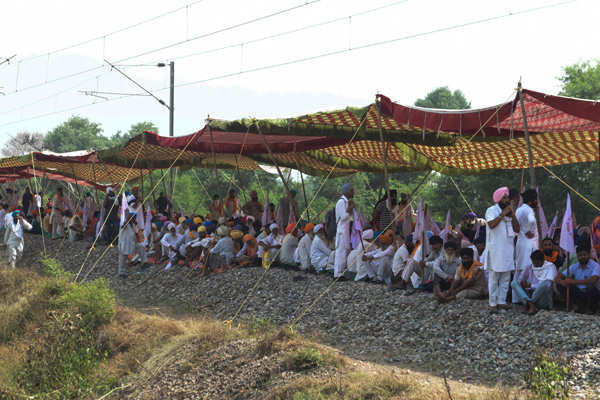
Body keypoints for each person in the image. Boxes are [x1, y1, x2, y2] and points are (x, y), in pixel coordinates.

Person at [485, 186, 520, 313]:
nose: (507, 200)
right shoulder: (491, 210)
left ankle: (502, 301)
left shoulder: (509, 212)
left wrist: (513, 215)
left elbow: (517, 230)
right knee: (494, 277)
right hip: (495, 250)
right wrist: (502, 214)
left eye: (507, 197)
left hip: (508, 250)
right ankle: (492, 303)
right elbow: (491, 225)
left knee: (506, 277)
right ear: (498, 198)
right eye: (504, 197)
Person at [555, 245, 600, 313]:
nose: (582, 257)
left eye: (584, 255)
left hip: (591, 293)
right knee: (560, 285)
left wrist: (572, 281)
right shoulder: (574, 266)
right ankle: (575, 306)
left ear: (589, 255)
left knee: (592, 288)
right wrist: (562, 282)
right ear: (577, 256)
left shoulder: (595, 266)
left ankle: (589, 309)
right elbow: (558, 277)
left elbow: (593, 280)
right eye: (580, 255)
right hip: (579, 293)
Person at [511, 250, 557, 314]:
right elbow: (520, 280)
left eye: (537, 263)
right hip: (529, 294)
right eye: (534, 263)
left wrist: (531, 286)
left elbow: (548, 285)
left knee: (544, 284)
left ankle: (528, 303)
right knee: (514, 283)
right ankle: (530, 304)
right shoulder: (529, 266)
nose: (535, 265)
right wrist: (522, 283)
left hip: (542, 299)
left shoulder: (550, 266)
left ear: (543, 261)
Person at [514, 188, 539, 304]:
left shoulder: (521, 210)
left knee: (522, 270)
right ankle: (524, 299)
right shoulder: (527, 210)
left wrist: (524, 231)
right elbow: (530, 221)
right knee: (525, 271)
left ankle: (519, 298)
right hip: (527, 244)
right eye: (536, 200)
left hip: (525, 243)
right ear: (532, 200)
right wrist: (527, 231)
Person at [334, 183, 354, 279]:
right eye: (352, 190)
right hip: (341, 231)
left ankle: (341, 272)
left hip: (345, 231)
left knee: (344, 251)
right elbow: (344, 217)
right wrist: (350, 209)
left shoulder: (346, 202)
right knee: (340, 252)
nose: (353, 192)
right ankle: (337, 274)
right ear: (347, 192)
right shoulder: (341, 202)